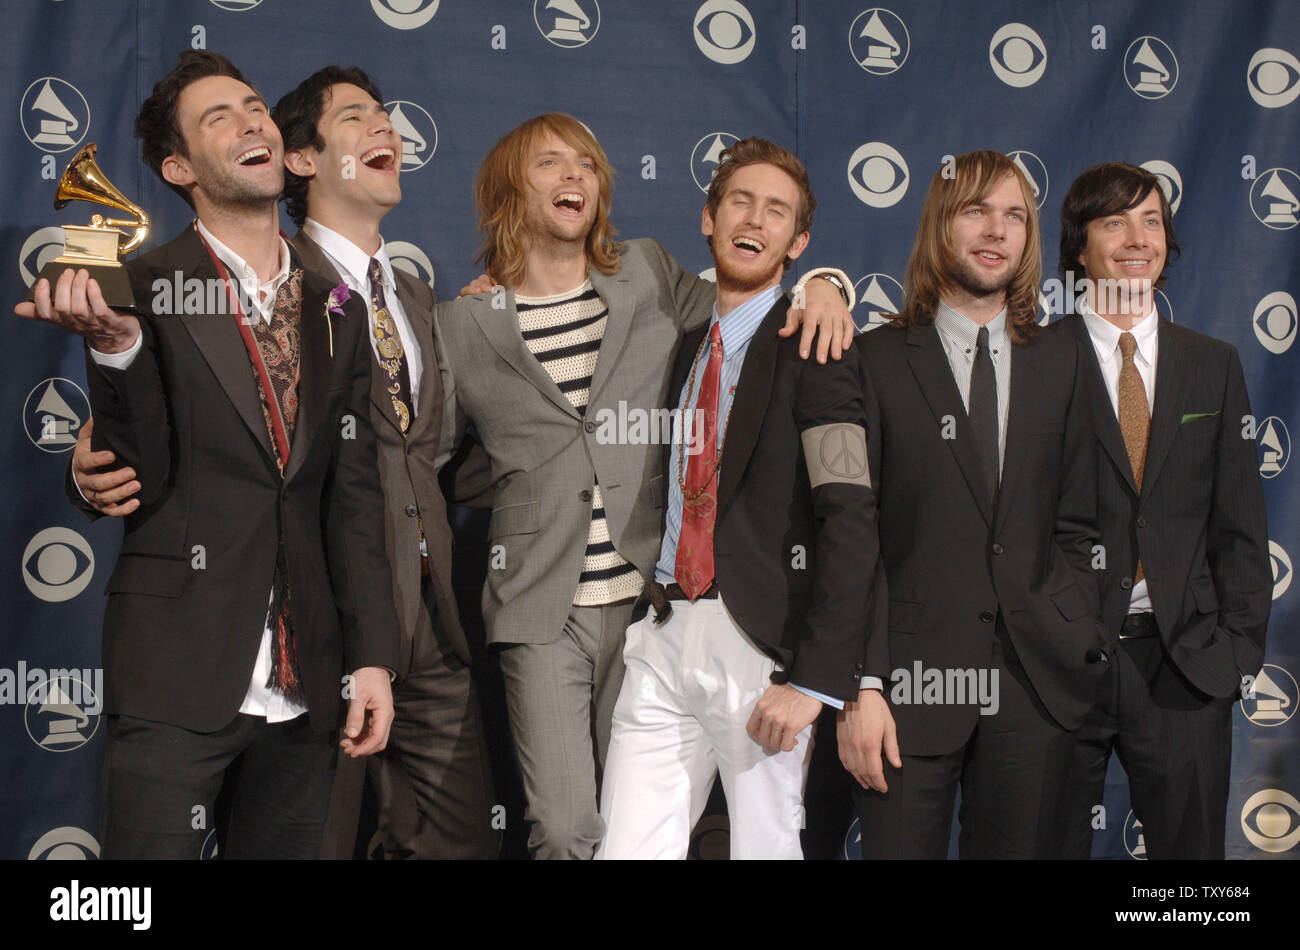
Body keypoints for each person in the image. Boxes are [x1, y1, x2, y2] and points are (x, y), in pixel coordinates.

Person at [436, 113, 856, 858]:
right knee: (569, 828)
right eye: (550, 164)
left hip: (645, 603)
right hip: (543, 601)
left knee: (675, 826)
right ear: (508, 188)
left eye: (587, 166)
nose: (573, 177)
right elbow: (445, 458)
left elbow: (754, 307)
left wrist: (826, 284)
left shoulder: (648, 276)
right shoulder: (464, 323)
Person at [17, 50, 399, 859]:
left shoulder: (339, 302)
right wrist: (118, 350)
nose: (252, 121)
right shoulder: (143, 286)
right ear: (179, 166)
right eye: (218, 116)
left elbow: (354, 495)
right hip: (176, 674)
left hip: (306, 689)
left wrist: (371, 660)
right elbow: (135, 467)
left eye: (255, 105)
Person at [594, 137, 878, 859]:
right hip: (660, 632)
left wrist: (814, 683)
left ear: (798, 240)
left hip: (761, 650)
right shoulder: (676, 340)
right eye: (740, 202)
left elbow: (850, 516)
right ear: (708, 218)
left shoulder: (816, 347)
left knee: (765, 849)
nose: (754, 220)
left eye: (776, 211)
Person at [844, 150, 1108, 859]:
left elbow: (1082, 522)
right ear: (941, 223)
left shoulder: (1063, 361)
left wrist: (1072, 622)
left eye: (1014, 215)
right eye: (976, 211)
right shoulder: (873, 360)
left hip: (1034, 686)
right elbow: (852, 538)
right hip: (905, 687)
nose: (996, 230)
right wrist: (863, 685)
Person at [1052, 162, 1271, 859]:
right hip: (1055, 669)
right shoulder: (1030, 360)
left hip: (1185, 668)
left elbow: (1239, 526)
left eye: (1151, 220)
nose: (1136, 237)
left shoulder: (1215, 365)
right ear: (1079, 246)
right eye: (1114, 220)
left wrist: (1235, 653)